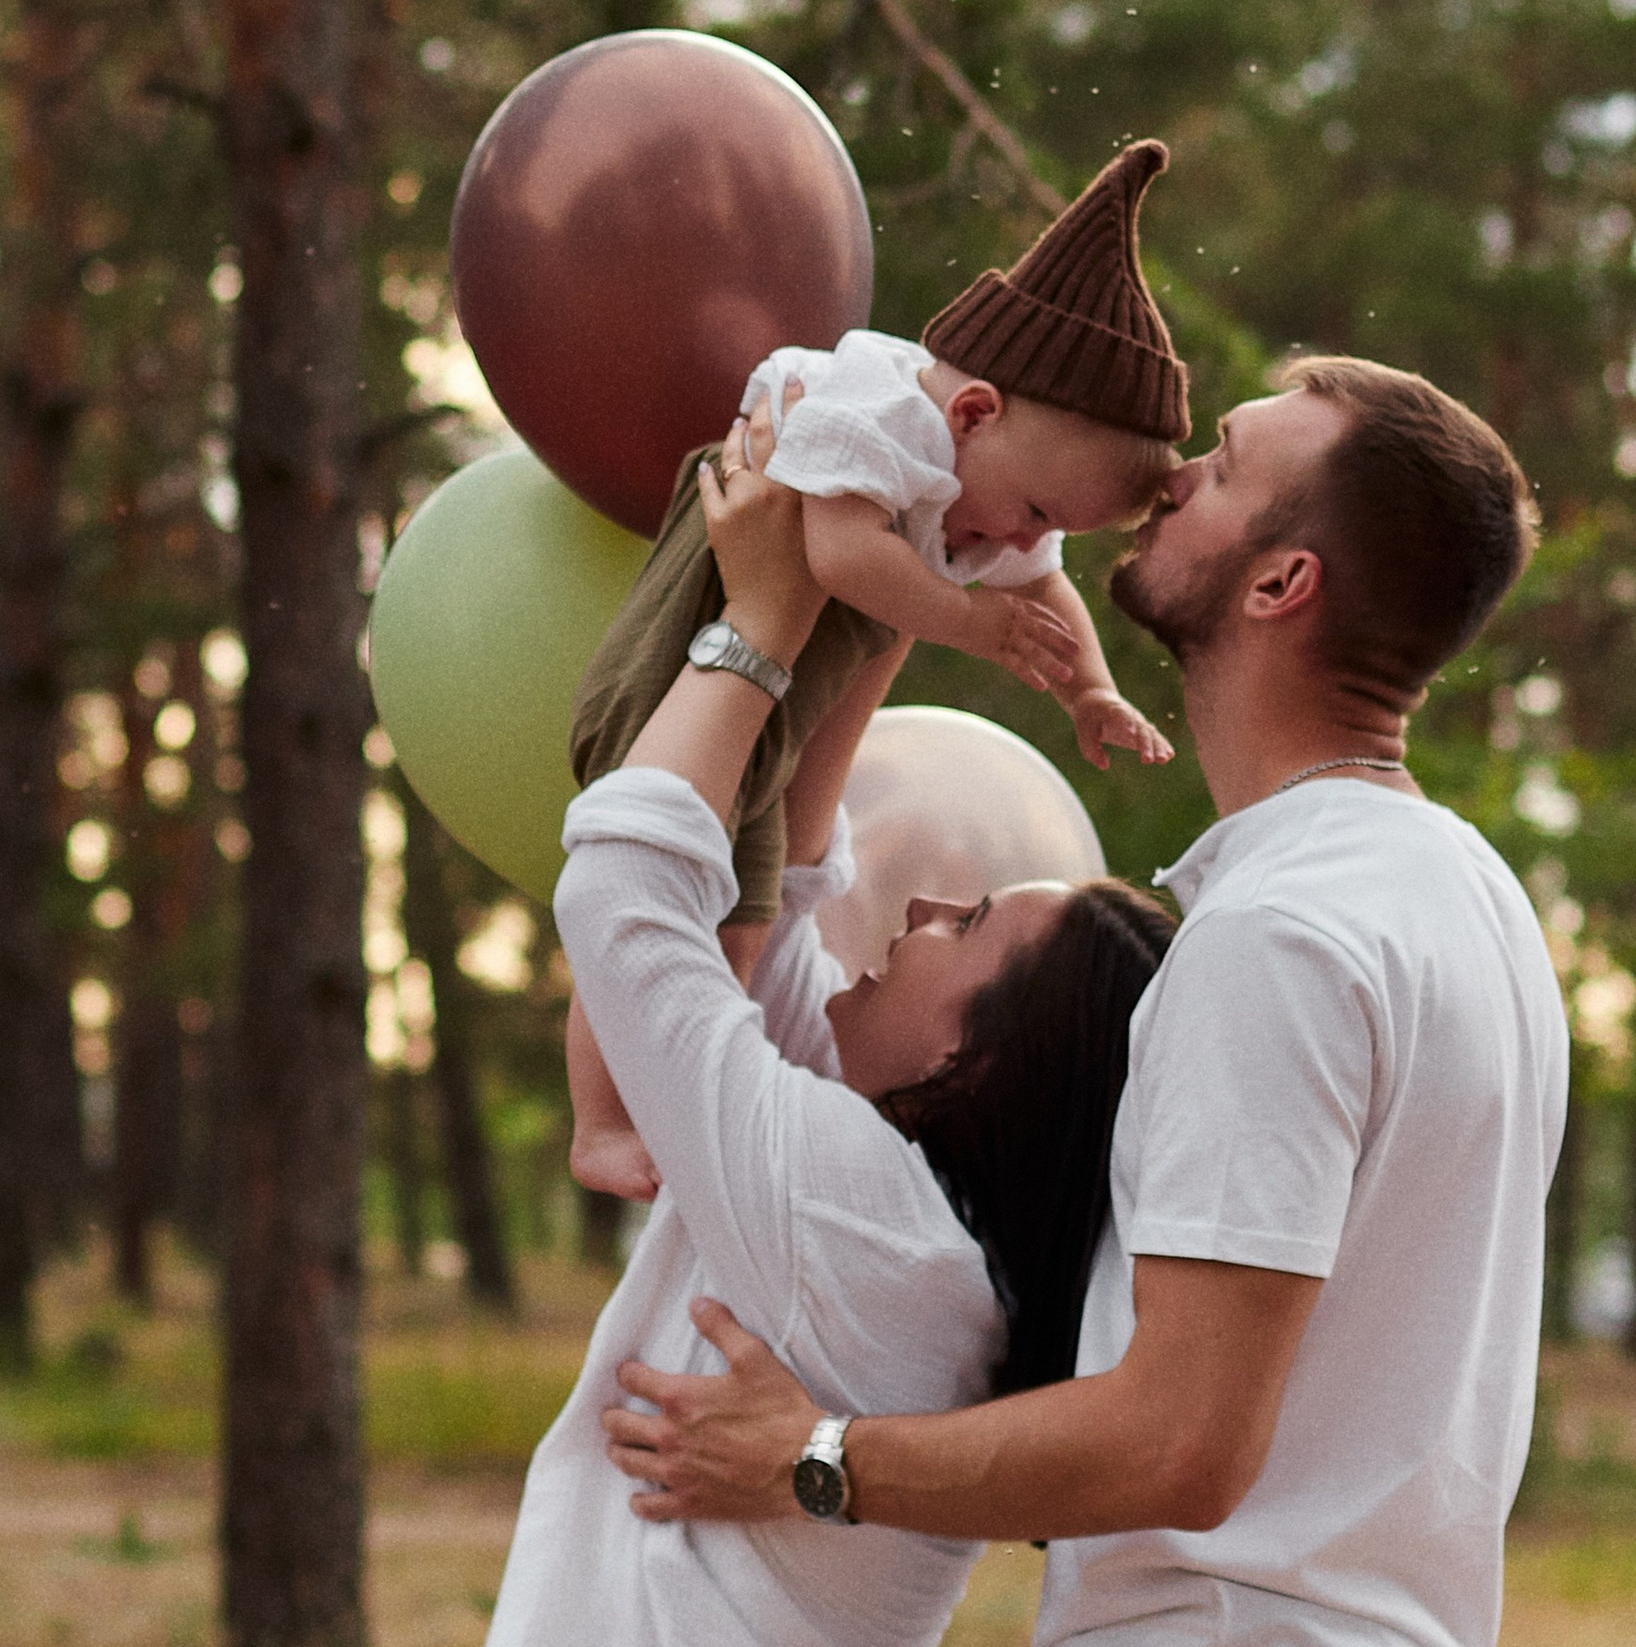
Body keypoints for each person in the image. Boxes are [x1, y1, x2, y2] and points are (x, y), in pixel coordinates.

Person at [599, 356, 1572, 1647]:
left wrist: (815, 1457)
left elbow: (1181, 1442)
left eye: (1221, 469)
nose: (1170, 479)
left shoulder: (1278, 936)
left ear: (1281, 583)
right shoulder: (1468, 896)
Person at [488, 424, 1174, 1647]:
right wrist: (883, 602)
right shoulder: (919, 1230)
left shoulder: (857, 1222)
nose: (920, 908)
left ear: (975, 1063)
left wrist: (759, 623)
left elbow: (625, 890)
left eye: (966, 924)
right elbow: (790, 892)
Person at [561, 138, 1188, 1196]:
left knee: (746, 916)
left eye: (1053, 527)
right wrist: (967, 621)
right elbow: (839, 555)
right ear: (971, 412)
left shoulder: (993, 479)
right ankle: (600, 1119)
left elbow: (1045, 585)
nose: (1023, 541)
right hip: (688, 669)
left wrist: (1091, 688)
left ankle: (686, 1095)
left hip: (774, 704)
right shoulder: (878, 411)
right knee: (656, 879)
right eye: (1034, 510)